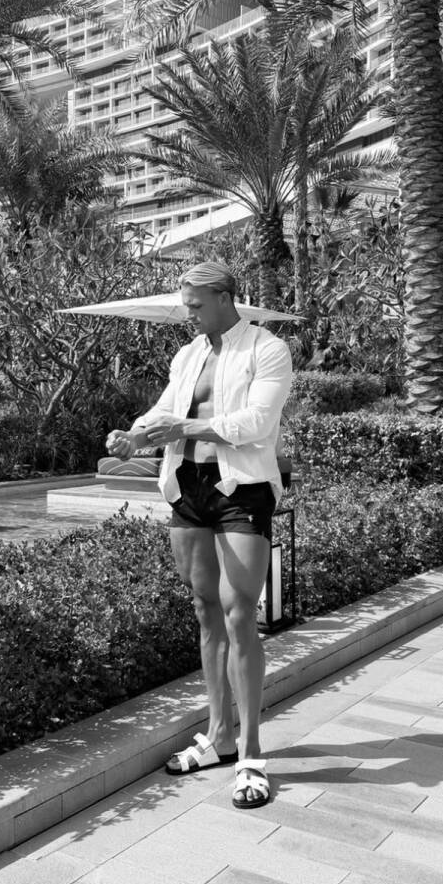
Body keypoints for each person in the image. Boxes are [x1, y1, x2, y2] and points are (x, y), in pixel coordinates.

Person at [105, 261, 292, 809]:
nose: (188, 313)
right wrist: (134, 435)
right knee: (205, 609)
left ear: (225, 297)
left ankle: (251, 754)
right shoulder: (187, 354)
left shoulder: (267, 349)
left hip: (241, 491)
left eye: (195, 304)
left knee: (240, 614)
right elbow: (166, 409)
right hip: (187, 486)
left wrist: (182, 427)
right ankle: (218, 737)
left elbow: (257, 423)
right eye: (185, 304)